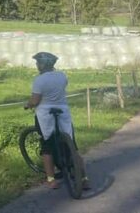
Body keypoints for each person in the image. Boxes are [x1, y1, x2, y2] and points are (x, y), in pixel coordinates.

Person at [23, 52, 90, 190]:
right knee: (73, 146)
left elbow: (35, 100)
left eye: (37, 63)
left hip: (45, 114)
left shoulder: (39, 80)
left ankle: (51, 179)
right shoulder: (62, 76)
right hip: (63, 111)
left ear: (42, 65)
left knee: (46, 146)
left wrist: (28, 105)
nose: (36, 65)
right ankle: (83, 178)